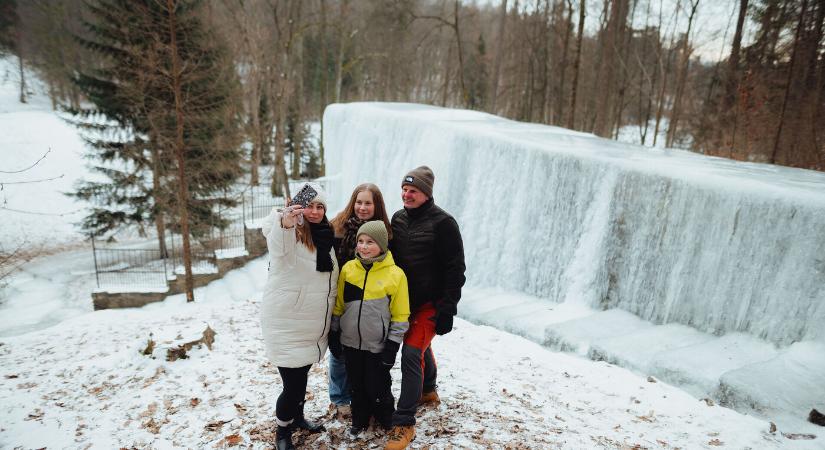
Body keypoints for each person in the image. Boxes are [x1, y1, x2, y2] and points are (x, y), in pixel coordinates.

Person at [384, 166, 466, 450]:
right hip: (405, 302)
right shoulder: (398, 218)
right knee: (418, 345)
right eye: (404, 189)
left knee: (410, 352)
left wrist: (448, 309)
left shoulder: (444, 223)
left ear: (426, 193)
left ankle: (404, 422)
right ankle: (428, 389)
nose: (407, 194)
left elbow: (456, 270)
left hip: (431, 303)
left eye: (413, 190)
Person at [260, 182, 338, 450]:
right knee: (292, 385)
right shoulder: (288, 231)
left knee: (300, 377)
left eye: (320, 207)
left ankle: (298, 417)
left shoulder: (324, 236)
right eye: (309, 205)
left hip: (311, 323)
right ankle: (282, 431)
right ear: (298, 207)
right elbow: (279, 249)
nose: (315, 212)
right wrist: (285, 220)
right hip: (288, 322)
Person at [328, 220, 410, 436]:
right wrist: (334, 333)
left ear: (382, 245)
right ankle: (359, 419)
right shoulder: (348, 269)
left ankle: (385, 417)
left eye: (370, 242)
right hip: (351, 341)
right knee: (356, 384)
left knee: (378, 384)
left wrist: (392, 346)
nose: (363, 247)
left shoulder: (395, 275)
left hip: (378, 344)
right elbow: (339, 305)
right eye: (360, 241)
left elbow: (401, 315)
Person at [327, 184, 393, 413]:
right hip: (342, 292)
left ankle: (364, 396)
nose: (362, 207)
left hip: (373, 296)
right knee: (338, 351)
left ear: (377, 206)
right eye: (359, 202)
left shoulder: (384, 232)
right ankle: (339, 397)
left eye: (368, 203)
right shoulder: (338, 226)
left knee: (367, 352)